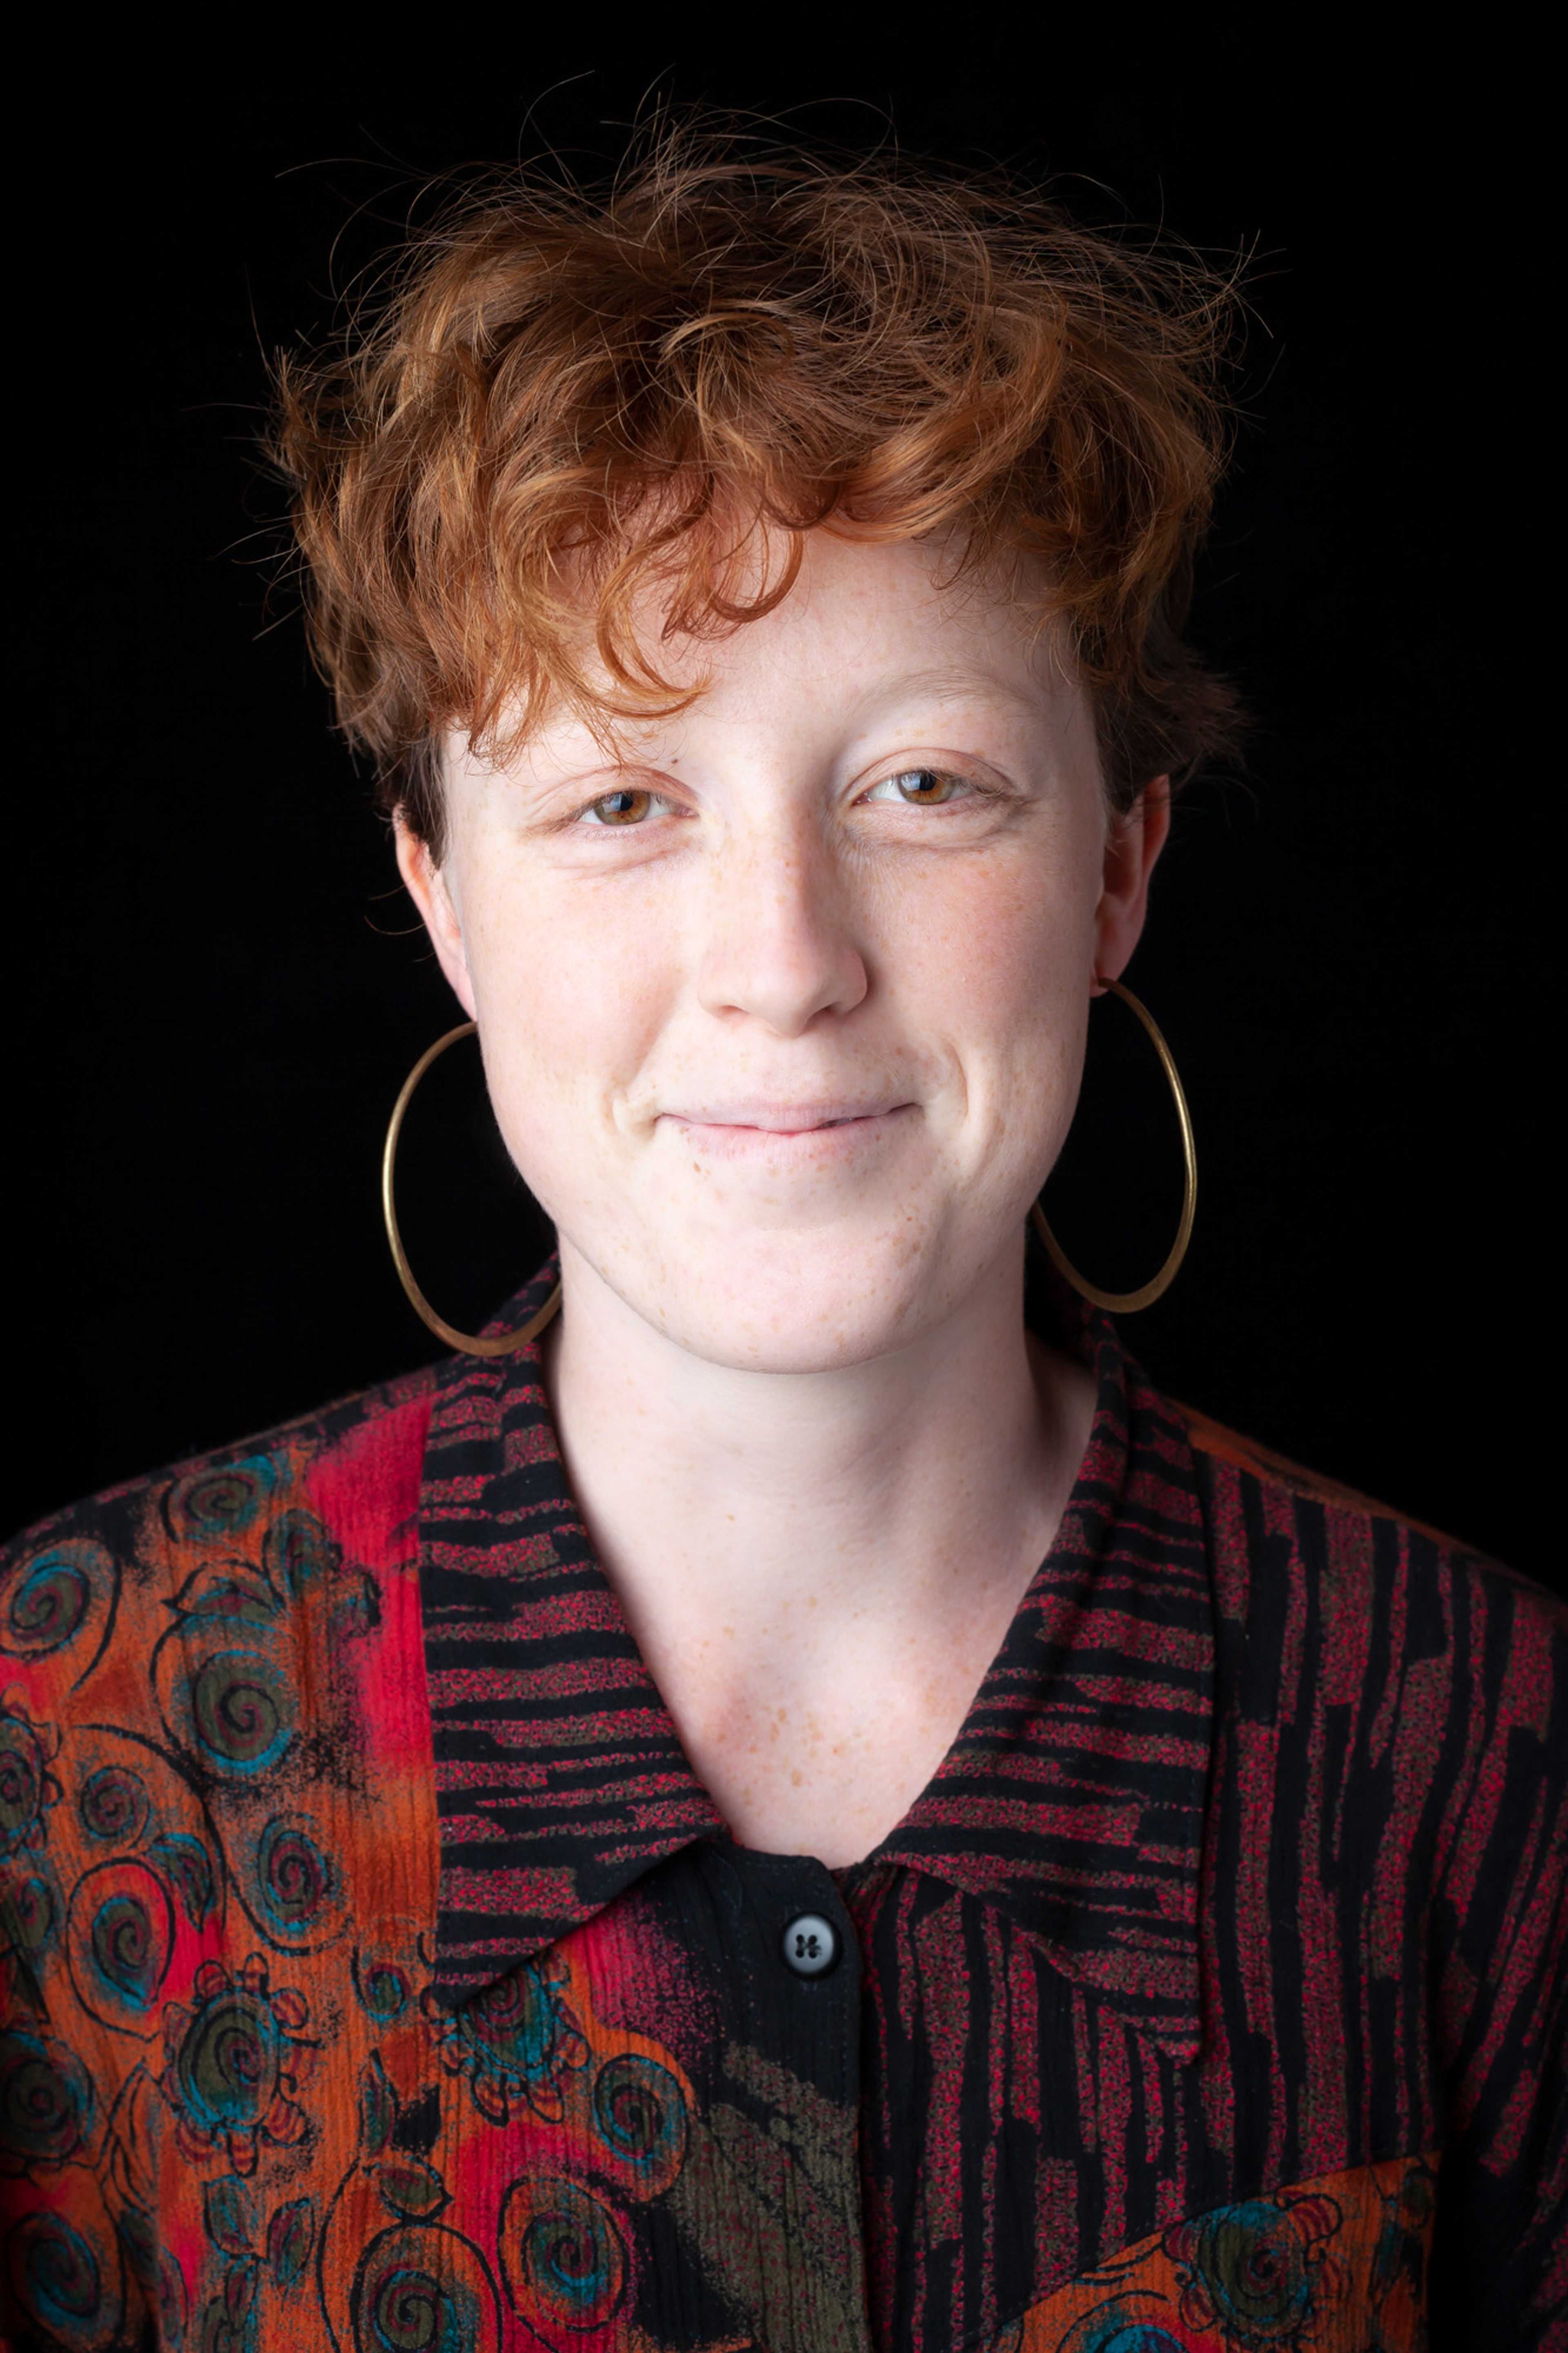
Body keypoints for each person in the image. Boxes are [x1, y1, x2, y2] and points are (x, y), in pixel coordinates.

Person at [1, 127, 1561, 2353]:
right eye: (623, 802)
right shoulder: (65, 1737)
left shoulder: (1491, 1753)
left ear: (1121, 866)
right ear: (445, 899)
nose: (782, 959)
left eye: (920, 785)